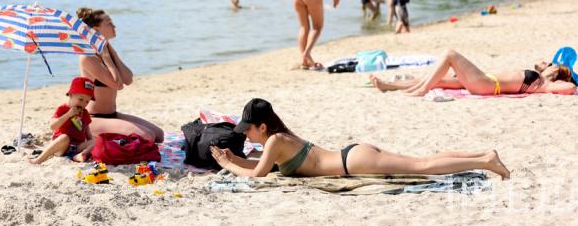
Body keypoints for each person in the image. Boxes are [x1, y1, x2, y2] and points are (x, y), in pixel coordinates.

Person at [210, 98, 510, 179]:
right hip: (353, 155)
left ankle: (485, 161)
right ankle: (483, 155)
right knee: (422, 161)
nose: (246, 133)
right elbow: (261, 166)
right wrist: (234, 159)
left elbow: (259, 175)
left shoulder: (275, 141)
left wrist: (228, 165)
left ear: (262, 126)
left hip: (354, 162)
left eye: (248, 129)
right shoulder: (279, 139)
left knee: (422, 167)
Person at [76, 8, 164, 142]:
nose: (114, 26)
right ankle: (94, 139)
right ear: (96, 30)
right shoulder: (87, 57)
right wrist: (106, 57)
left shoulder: (107, 50)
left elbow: (128, 79)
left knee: (159, 134)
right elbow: (117, 85)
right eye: (109, 23)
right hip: (93, 118)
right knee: (147, 136)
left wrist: (112, 53)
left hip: (112, 115)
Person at [368, 49, 578, 97]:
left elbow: (570, 88)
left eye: (552, 63)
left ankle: (421, 90)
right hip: (485, 80)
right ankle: (389, 85)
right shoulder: (539, 79)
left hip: (486, 84)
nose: (548, 62)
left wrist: (562, 75)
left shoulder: (544, 84)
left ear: (557, 70)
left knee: (450, 54)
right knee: (438, 79)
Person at [29, 77, 96, 164]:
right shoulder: (62, 109)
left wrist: (92, 144)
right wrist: (68, 114)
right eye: (80, 99)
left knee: (96, 140)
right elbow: (53, 127)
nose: (83, 104)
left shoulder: (85, 113)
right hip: (62, 146)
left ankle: (81, 155)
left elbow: (88, 133)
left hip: (77, 147)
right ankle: (39, 159)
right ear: (71, 95)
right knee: (65, 137)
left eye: (87, 101)